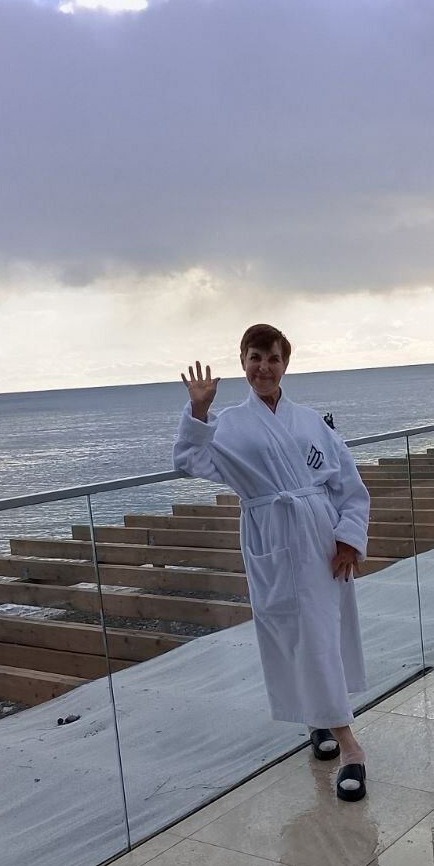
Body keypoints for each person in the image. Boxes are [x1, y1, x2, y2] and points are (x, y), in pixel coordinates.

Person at [172, 324, 372, 801]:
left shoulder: (310, 421)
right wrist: (198, 411)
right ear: (243, 361)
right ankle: (322, 725)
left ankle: (349, 746)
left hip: (319, 538)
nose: (264, 367)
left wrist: (349, 539)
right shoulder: (228, 425)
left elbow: (347, 483)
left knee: (320, 635)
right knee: (288, 635)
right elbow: (186, 459)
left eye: (273, 358)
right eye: (255, 357)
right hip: (269, 535)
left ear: (286, 364)